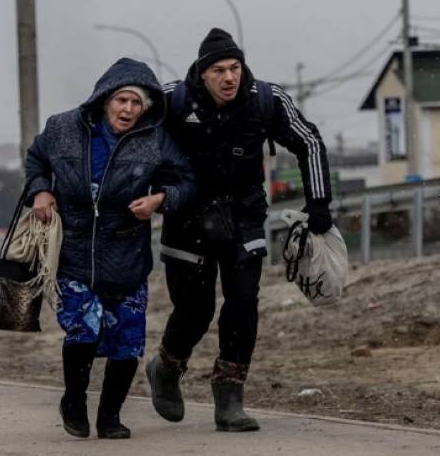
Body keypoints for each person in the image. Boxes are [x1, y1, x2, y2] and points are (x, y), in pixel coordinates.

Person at [146, 28, 332, 432]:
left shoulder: (265, 99)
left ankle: (229, 398)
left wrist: (318, 203)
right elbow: (131, 140)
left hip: (244, 215)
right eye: (219, 70)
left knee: (243, 303)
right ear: (202, 73)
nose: (229, 77)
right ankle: (166, 367)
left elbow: (309, 142)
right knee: (195, 311)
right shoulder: (171, 100)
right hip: (187, 216)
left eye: (234, 68)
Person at [24, 58, 195, 440]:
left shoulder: (155, 138)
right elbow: (36, 159)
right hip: (74, 253)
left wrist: (159, 199)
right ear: (105, 100)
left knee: (126, 342)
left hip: (127, 256)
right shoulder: (63, 128)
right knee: (84, 329)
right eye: (122, 100)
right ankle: (73, 401)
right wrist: (41, 190)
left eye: (136, 103)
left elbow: (186, 182)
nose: (128, 109)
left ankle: (110, 416)